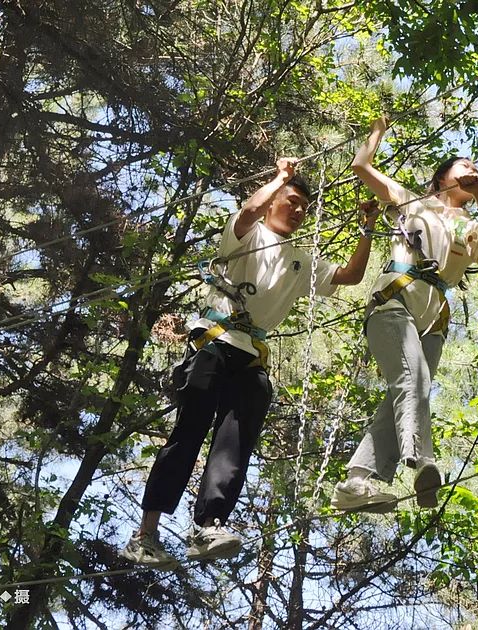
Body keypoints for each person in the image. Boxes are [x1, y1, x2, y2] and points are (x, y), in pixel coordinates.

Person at [121, 158, 381, 566]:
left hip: (250, 356)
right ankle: (145, 534)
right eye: (290, 201)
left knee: (234, 446)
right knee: (188, 434)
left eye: (303, 208)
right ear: (274, 200)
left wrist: (366, 229)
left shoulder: (302, 262)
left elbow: (350, 276)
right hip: (214, 341)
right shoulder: (245, 236)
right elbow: (247, 211)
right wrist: (279, 177)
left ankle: (209, 525)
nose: (297, 211)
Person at [331, 116, 478, 513]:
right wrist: (376, 132)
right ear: (443, 178)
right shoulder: (411, 202)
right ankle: (422, 460)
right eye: (464, 168)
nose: (472, 172)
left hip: (434, 316)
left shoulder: (472, 227)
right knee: (414, 380)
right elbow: (361, 168)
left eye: (475, 170)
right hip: (395, 299)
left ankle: (357, 482)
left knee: (410, 390)